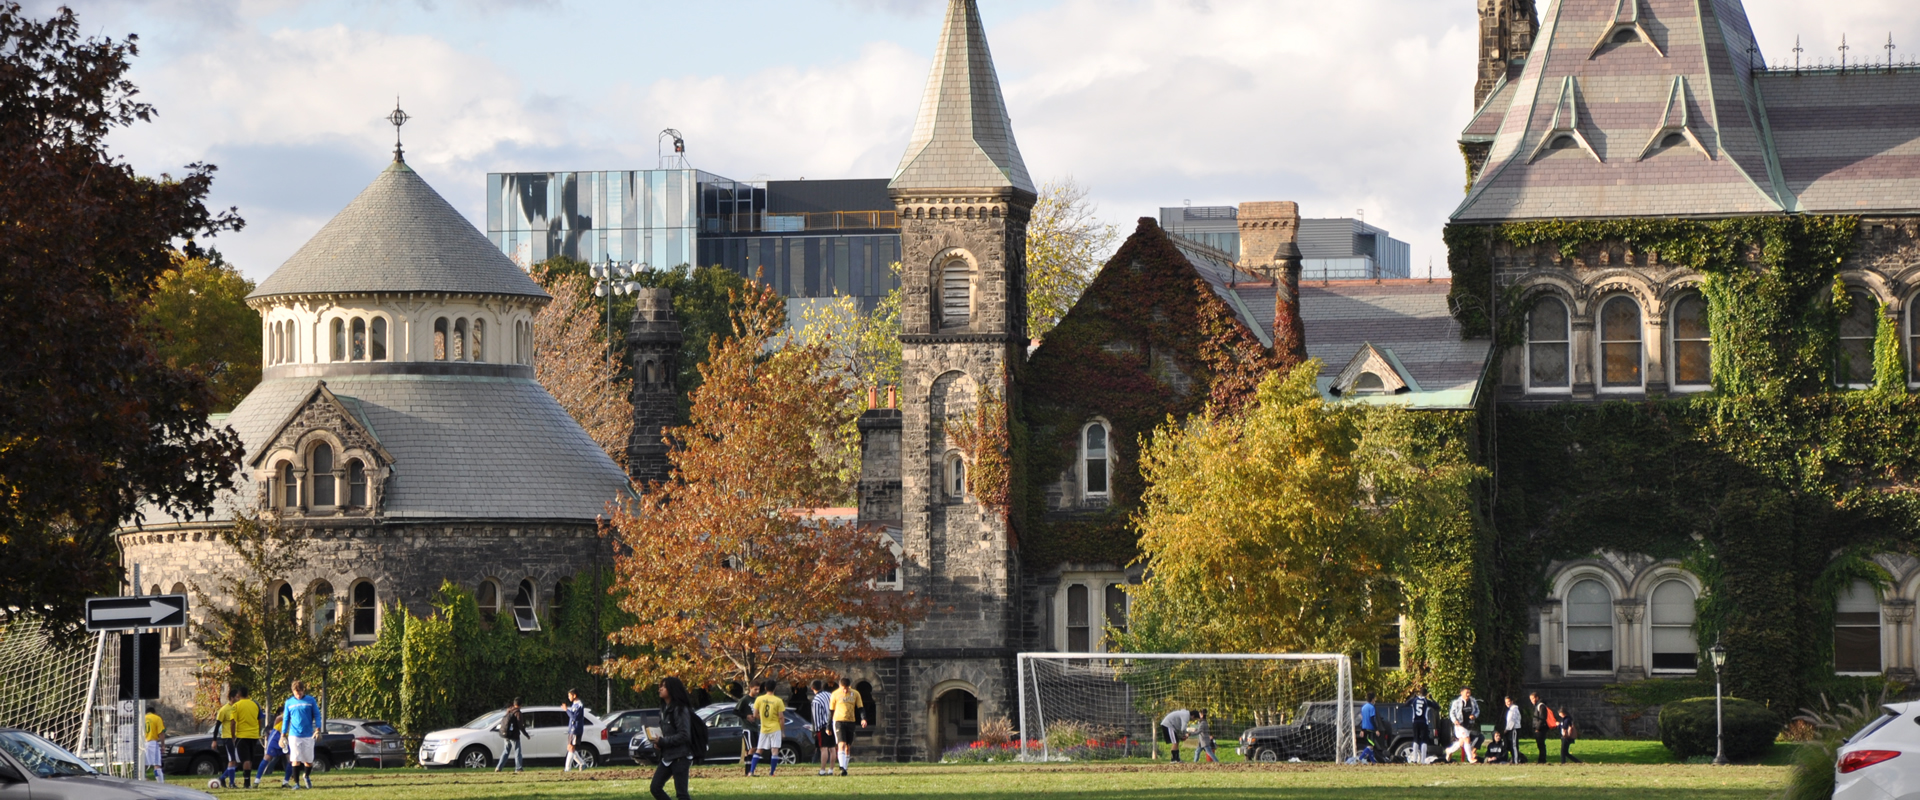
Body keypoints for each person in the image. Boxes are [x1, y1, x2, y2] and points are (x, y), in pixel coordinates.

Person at [649, 677, 696, 800]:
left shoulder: (680, 709)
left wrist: (663, 741)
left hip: (681, 756)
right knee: (655, 788)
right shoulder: (664, 709)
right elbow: (668, 733)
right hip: (668, 756)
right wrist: (659, 743)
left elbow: (684, 735)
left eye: (663, 687)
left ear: (671, 689)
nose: (660, 689)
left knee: (682, 794)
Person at [283, 680, 319, 790]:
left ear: (303, 690)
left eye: (300, 692)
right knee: (295, 759)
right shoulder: (289, 702)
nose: (298, 695)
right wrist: (283, 734)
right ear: (293, 691)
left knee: (308, 761)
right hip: (294, 735)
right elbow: (286, 719)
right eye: (296, 692)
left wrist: (318, 729)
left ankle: (306, 776)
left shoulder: (310, 700)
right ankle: (297, 784)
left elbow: (317, 715)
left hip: (308, 734)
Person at [748, 678, 786, 776]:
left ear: (765, 688)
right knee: (775, 750)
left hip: (764, 728)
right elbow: (781, 717)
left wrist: (764, 719)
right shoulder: (778, 700)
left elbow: (755, 714)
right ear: (775, 688)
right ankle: (772, 773)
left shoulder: (759, 699)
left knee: (759, 749)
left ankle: (751, 771)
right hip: (775, 728)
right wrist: (782, 731)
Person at [227, 685, 262, 789]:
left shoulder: (236, 706)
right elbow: (260, 720)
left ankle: (246, 783)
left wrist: (233, 736)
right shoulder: (255, 705)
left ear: (238, 694)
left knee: (245, 759)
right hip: (254, 735)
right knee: (250, 759)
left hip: (242, 735)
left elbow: (233, 722)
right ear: (248, 694)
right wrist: (257, 731)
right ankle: (248, 782)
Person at [829, 676, 864, 776]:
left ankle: (845, 768)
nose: (845, 690)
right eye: (843, 688)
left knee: (848, 746)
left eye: (847, 688)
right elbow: (831, 710)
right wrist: (828, 726)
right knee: (841, 744)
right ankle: (842, 767)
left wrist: (863, 718)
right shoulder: (835, 694)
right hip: (839, 721)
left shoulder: (855, 694)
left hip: (850, 721)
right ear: (840, 686)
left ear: (850, 686)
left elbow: (860, 707)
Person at [1443, 687, 1479, 764]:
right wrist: (1455, 720)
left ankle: (1449, 750)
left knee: (1462, 742)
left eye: (1469, 692)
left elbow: (1477, 710)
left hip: (1468, 725)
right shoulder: (1456, 702)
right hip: (1459, 725)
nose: (1468, 694)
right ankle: (1470, 758)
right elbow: (1451, 713)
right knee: (1467, 739)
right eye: (1467, 693)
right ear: (1461, 693)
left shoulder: (1473, 701)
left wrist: (1474, 715)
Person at [810, 680, 835, 776]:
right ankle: (831, 770)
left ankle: (822, 770)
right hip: (832, 724)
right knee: (832, 748)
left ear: (812, 688)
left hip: (822, 726)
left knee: (823, 748)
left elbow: (816, 717)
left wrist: (816, 730)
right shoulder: (830, 695)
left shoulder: (816, 700)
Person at [495, 698, 525, 773]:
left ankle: (498, 767)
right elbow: (520, 725)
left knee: (506, 751)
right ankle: (518, 768)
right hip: (514, 735)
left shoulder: (509, 710)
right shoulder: (517, 712)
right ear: (521, 705)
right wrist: (526, 734)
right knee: (517, 751)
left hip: (506, 734)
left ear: (514, 703)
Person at [214, 689, 236, 787]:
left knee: (236, 762)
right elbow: (217, 725)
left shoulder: (237, 708)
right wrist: (214, 740)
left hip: (236, 738)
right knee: (232, 761)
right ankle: (231, 783)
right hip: (228, 738)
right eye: (237, 697)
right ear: (232, 697)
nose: (238, 699)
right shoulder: (224, 710)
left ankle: (222, 778)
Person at [563, 688, 590, 771]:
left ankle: (567, 768)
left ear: (574, 695)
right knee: (570, 748)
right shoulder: (574, 705)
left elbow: (574, 717)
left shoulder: (579, 705)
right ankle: (582, 763)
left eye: (569, 695)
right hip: (572, 729)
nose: (568, 697)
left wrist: (566, 710)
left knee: (571, 748)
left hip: (576, 729)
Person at [257, 713, 286, 787]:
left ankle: (286, 782)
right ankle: (256, 781)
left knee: (290, 759)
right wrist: (274, 730)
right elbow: (278, 718)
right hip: (277, 734)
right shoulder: (291, 708)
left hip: (287, 737)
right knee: (268, 757)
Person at [1409, 687, 1435, 764]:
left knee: (1416, 739)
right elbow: (1437, 706)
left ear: (1419, 693)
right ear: (1426, 694)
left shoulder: (1414, 700)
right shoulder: (1426, 701)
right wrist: (1432, 698)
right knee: (1424, 740)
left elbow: (1406, 704)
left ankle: (1415, 759)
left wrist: (1412, 697)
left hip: (1415, 722)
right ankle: (1423, 760)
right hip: (1424, 722)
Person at [143, 708, 166, 783]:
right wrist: (163, 745)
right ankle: (161, 783)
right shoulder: (157, 718)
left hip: (142, 743)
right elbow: (161, 733)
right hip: (152, 742)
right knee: (157, 764)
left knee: (144, 764)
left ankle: (141, 778)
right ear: (154, 712)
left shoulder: (142, 718)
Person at [1530, 692, 1553, 765]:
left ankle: (1542, 760)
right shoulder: (1538, 706)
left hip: (1541, 728)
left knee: (1541, 744)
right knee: (1540, 744)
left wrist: (1538, 728)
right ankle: (1541, 759)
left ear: (1537, 697)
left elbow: (1542, 718)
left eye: (1533, 698)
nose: (1532, 701)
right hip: (1539, 728)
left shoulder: (1541, 706)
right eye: (1531, 699)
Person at [1503, 696, 1524, 764]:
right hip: (1511, 729)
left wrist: (1507, 729)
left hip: (1514, 729)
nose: (1507, 703)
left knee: (1514, 745)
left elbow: (1512, 721)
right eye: (1506, 702)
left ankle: (1516, 760)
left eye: (1508, 702)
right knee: (1510, 745)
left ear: (1512, 701)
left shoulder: (1514, 709)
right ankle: (1514, 758)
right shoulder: (1510, 710)